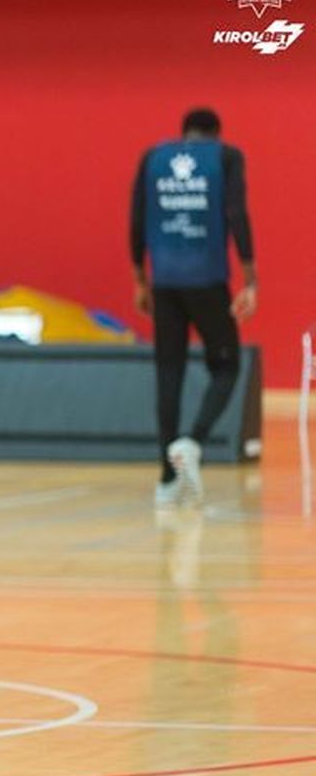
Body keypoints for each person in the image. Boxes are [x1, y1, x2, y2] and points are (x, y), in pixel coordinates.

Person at [131, 107, 257, 507]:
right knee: (227, 366)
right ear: (216, 133)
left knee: (168, 372)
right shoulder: (226, 156)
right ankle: (193, 441)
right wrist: (250, 278)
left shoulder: (152, 157)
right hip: (206, 281)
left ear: (184, 132)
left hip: (164, 282)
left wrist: (140, 279)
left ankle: (167, 478)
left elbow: (136, 220)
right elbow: (236, 213)